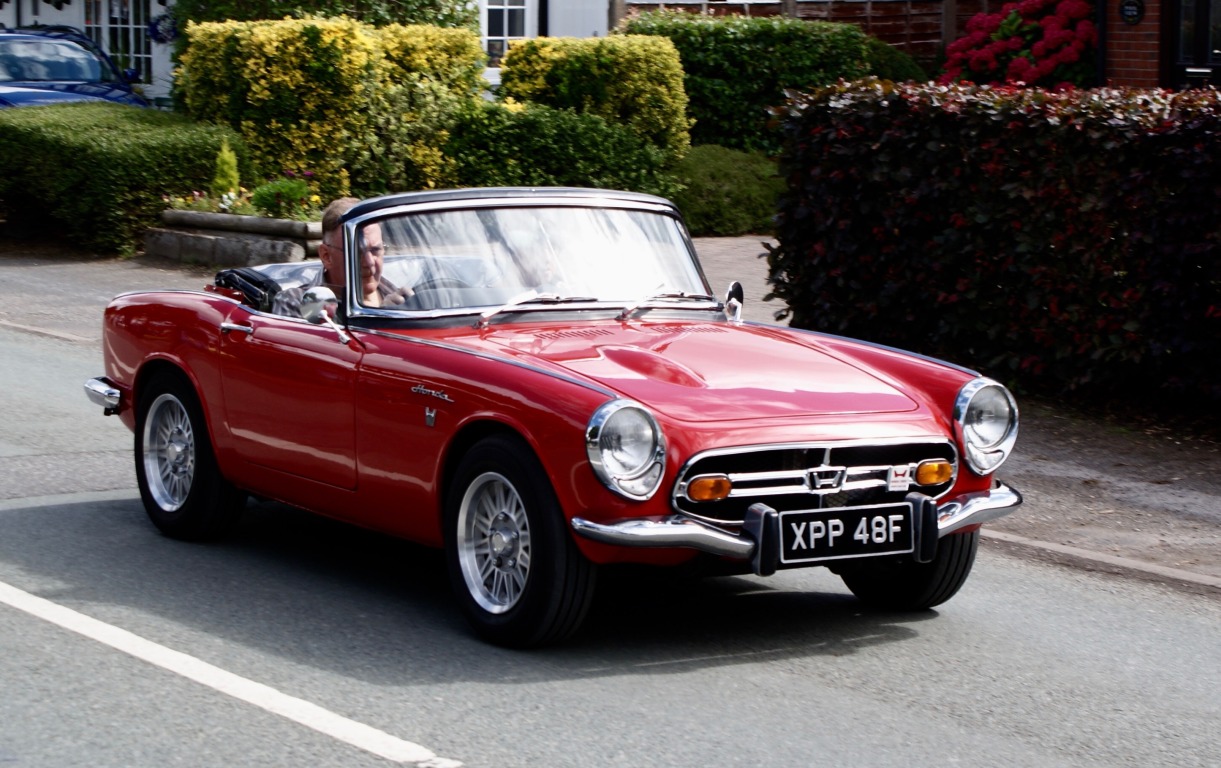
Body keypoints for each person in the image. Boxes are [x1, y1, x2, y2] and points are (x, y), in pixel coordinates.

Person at [272, 197, 407, 317]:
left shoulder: (398, 295)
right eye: (357, 252)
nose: (369, 262)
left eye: (376, 250)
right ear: (326, 256)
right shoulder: (296, 302)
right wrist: (382, 318)